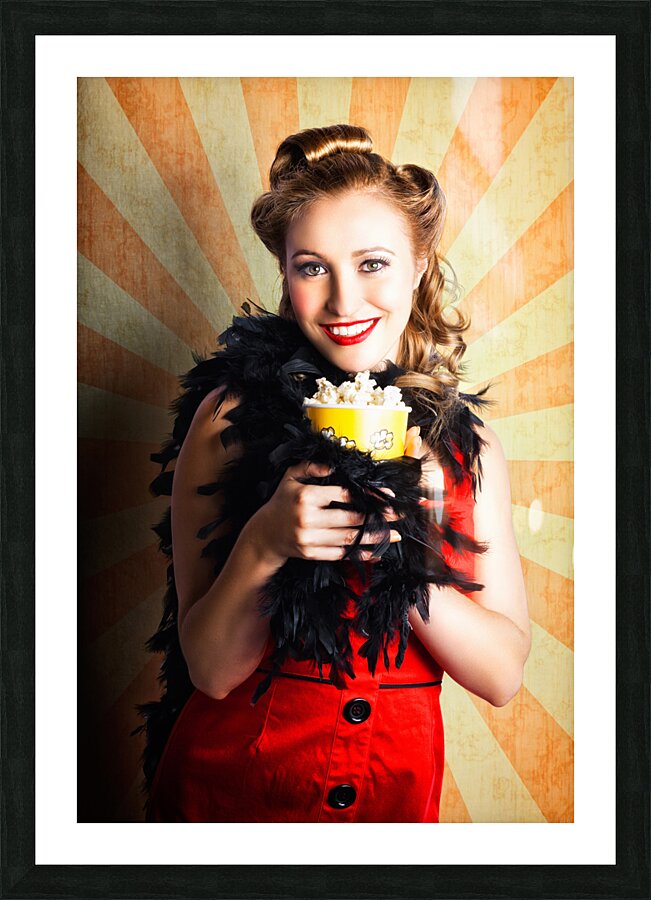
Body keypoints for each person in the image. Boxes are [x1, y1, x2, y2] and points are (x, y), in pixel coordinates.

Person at [137, 123, 531, 823]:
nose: (345, 302)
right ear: (285, 275)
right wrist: (265, 542)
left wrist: (405, 556)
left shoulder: (469, 452)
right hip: (233, 800)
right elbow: (211, 671)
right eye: (312, 267)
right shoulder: (227, 419)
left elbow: (500, 676)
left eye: (372, 263)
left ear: (418, 264)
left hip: (390, 802)